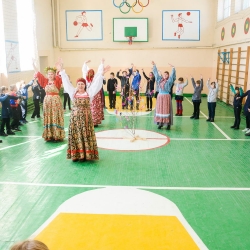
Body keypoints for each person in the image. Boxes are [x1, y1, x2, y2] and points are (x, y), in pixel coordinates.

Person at [57, 58, 110, 161]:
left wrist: (101, 72)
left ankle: (87, 154)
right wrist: (62, 70)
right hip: (75, 119)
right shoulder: (73, 93)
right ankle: (77, 155)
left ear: (85, 85)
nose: (80, 85)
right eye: (79, 84)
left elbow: (97, 84)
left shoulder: (89, 93)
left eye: (82, 84)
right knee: (76, 134)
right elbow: (66, 83)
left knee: (86, 134)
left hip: (86, 118)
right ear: (76, 85)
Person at [32, 60, 65, 142]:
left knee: (55, 116)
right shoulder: (45, 81)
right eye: (49, 74)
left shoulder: (57, 81)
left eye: (52, 74)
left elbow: (61, 74)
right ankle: (49, 135)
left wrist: (60, 67)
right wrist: (33, 65)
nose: (50, 75)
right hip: (47, 101)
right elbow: (39, 74)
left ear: (54, 75)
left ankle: (57, 135)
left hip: (56, 101)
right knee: (48, 116)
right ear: (47, 75)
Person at [152, 61, 176, 130]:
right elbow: (156, 74)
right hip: (160, 97)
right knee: (160, 110)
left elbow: (172, 76)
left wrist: (173, 68)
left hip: (166, 97)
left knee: (166, 110)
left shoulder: (169, 81)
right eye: (164, 74)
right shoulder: (160, 80)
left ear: (168, 76)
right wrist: (154, 65)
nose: (165, 75)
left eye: (166, 75)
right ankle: (160, 123)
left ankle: (168, 124)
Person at [82, 60, 105, 127]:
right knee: (90, 108)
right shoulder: (86, 79)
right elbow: (84, 71)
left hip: (95, 95)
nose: (90, 74)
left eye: (92, 72)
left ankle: (95, 121)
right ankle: (90, 121)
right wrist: (85, 63)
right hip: (89, 95)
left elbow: (99, 73)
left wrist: (102, 63)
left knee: (95, 108)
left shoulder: (95, 78)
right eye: (89, 72)